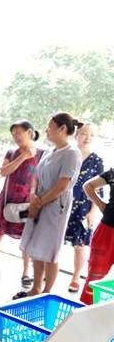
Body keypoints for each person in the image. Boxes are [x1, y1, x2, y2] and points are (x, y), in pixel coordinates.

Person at [15, 113, 83, 300]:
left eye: (50, 125)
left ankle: (46, 292)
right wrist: (33, 195)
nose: (46, 129)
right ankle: (36, 288)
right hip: (39, 200)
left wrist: (40, 203)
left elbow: (62, 186)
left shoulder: (72, 153)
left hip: (56, 205)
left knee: (51, 250)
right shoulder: (48, 152)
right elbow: (36, 176)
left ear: (62, 128)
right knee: (36, 246)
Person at [0, 120, 43, 288]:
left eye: (18, 133)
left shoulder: (43, 153)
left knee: (27, 237)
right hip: (8, 199)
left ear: (29, 132)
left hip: (28, 203)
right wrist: (23, 157)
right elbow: (3, 172)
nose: (16, 137)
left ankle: (26, 272)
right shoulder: (12, 152)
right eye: (13, 135)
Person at [64, 123, 104, 293]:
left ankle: (75, 278)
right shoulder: (67, 155)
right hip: (62, 204)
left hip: (83, 208)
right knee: (54, 240)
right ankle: (46, 269)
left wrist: (93, 211)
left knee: (79, 244)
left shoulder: (97, 161)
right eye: (84, 134)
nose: (88, 138)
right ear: (76, 135)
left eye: (92, 135)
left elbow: (98, 189)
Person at [79, 168, 114, 304]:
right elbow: (88, 185)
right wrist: (101, 205)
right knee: (95, 278)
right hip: (107, 232)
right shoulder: (112, 173)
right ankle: (85, 313)